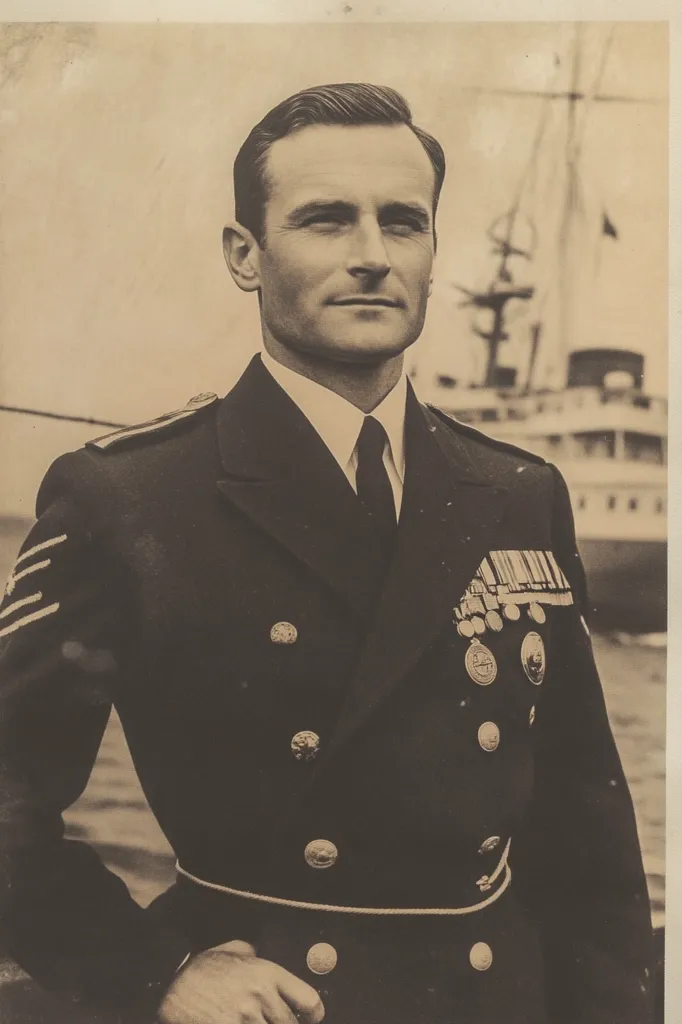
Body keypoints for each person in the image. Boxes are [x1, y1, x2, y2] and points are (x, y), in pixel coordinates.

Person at [0, 83, 653, 1024]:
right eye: (325, 221)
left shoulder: (519, 493)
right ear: (244, 255)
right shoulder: (131, 497)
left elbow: (587, 834)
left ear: (434, 252)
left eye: (403, 223)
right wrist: (156, 969)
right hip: (278, 1003)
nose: (372, 258)